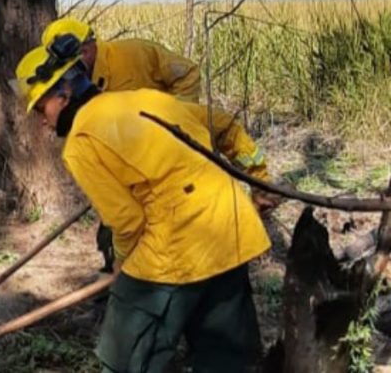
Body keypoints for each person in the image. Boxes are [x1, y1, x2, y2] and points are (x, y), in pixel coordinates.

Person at [15, 33, 274, 372]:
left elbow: (127, 222)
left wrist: (122, 269)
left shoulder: (80, 142)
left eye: (40, 107)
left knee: (125, 360)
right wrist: (260, 175)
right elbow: (222, 124)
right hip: (229, 230)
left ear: (64, 94)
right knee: (227, 362)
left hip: (176, 247)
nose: (41, 120)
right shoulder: (146, 99)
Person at [39, 18, 274, 272]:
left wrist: (173, 123)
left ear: (87, 49)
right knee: (113, 231)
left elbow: (189, 76)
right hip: (132, 177)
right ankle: (116, 276)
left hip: (172, 182)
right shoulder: (82, 98)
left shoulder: (135, 55)